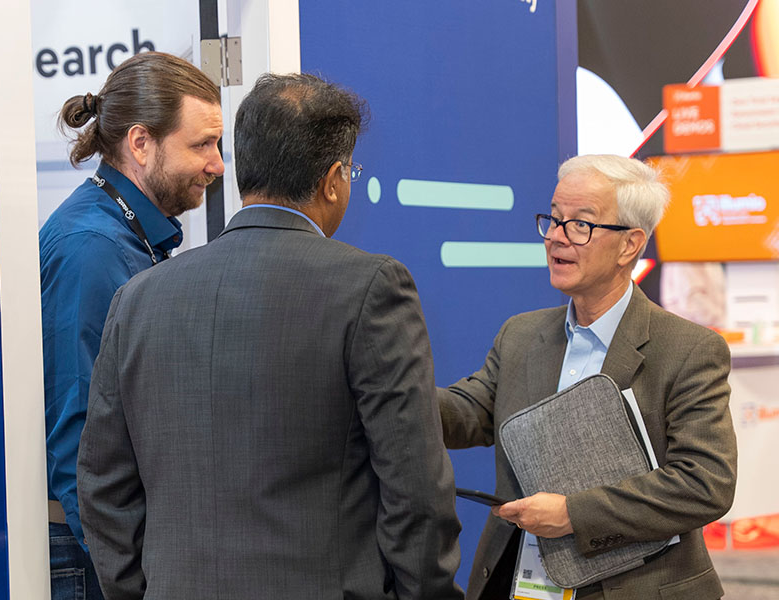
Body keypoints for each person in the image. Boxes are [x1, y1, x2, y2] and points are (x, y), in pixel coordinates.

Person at [77, 73, 463, 600]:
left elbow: (104, 487)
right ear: (334, 179)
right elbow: (415, 489)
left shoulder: (138, 298)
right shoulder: (371, 288)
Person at [439, 154, 737, 600]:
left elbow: (704, 483)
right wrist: (392, 386)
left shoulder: (688, 349)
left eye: (580, 224)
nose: (557, 237)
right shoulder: (520, 335)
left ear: (629, 245)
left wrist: (574, 514)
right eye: (554, 219)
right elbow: (469, 413)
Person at [39, 51, 223, 600]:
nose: (217, 165)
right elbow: (79, 439)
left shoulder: (130, 237)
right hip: (91, 559)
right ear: (140, 143)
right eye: (202, 145)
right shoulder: (91, 250)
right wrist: (130, 581)